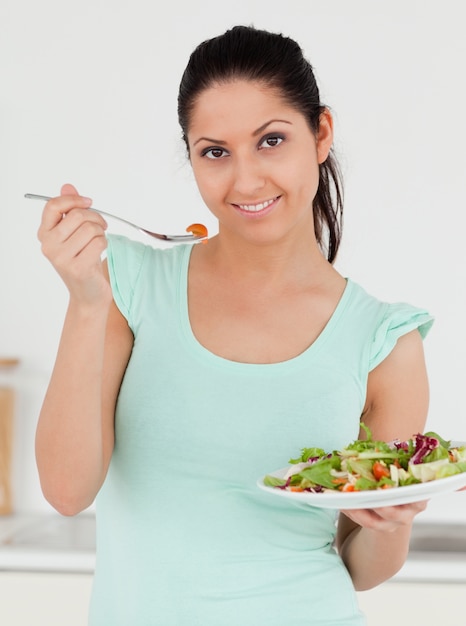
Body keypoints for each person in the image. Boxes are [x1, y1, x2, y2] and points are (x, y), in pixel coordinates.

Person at [36, 25, 433, 626]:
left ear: (321, 133)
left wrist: (391, 520)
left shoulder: (384, 339)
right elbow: (67, 492)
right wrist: (87, 302)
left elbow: (364, 569)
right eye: (215, 151)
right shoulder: (126, 285)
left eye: (271, 140)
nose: (246, 180)